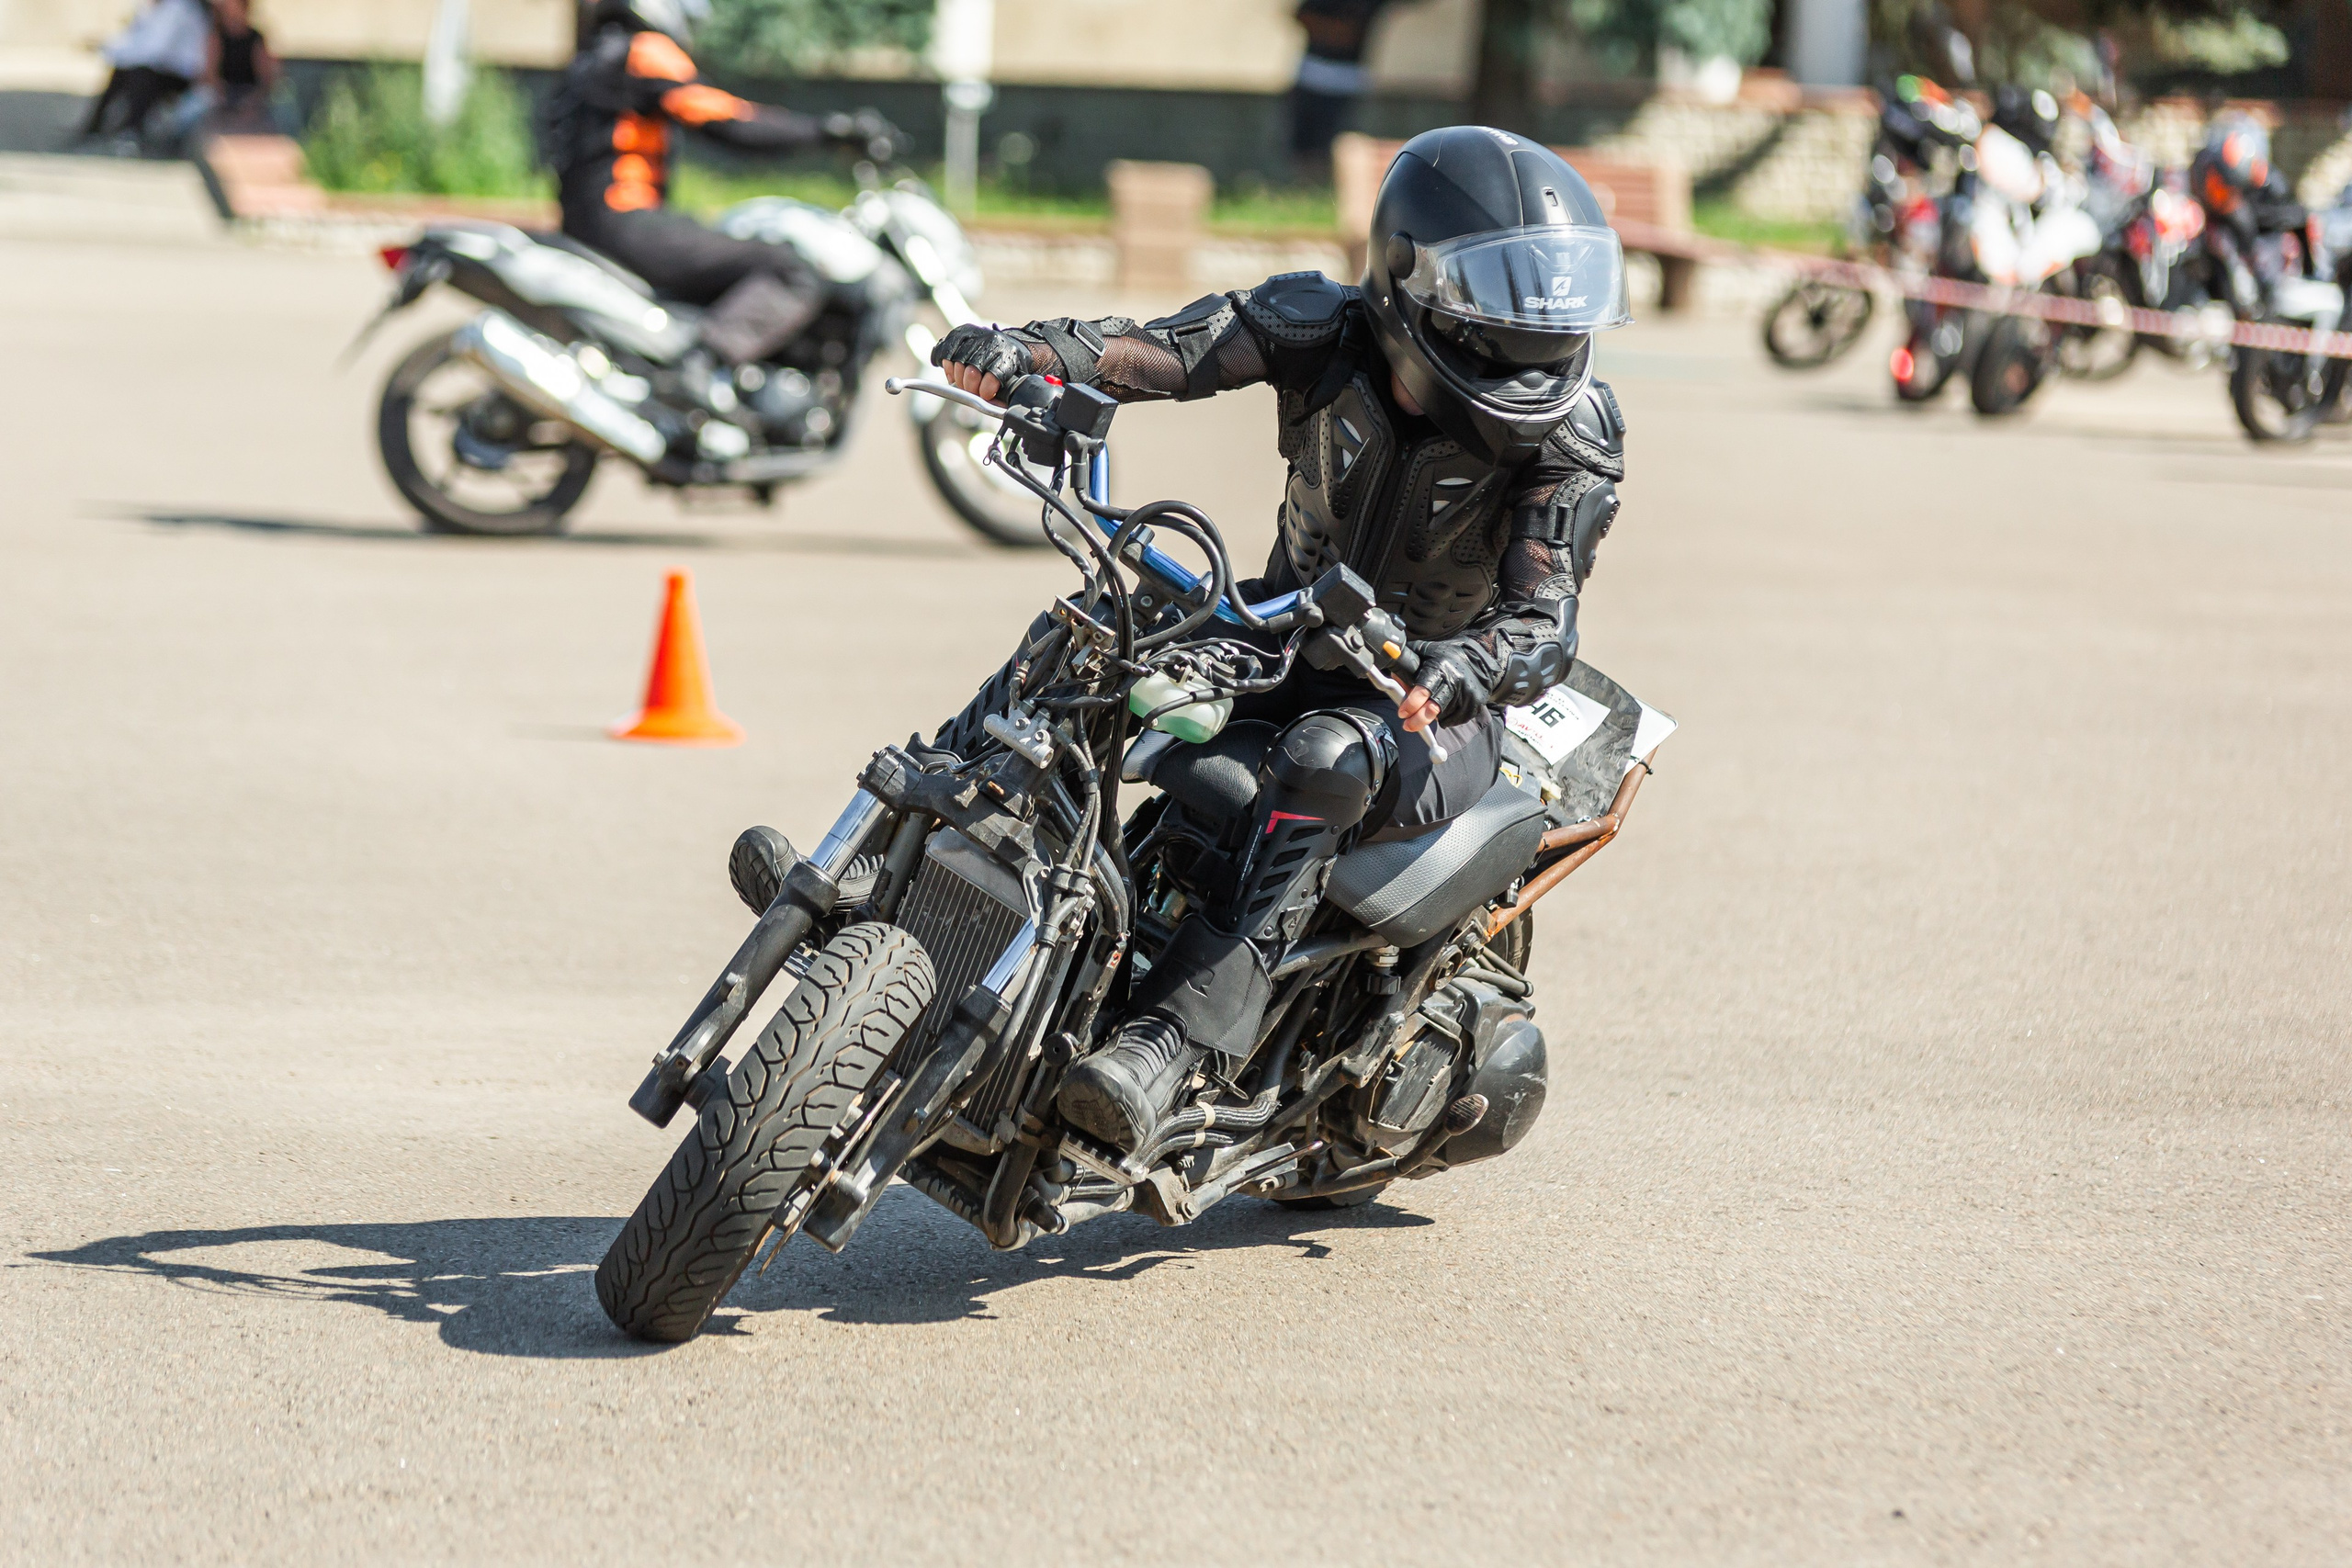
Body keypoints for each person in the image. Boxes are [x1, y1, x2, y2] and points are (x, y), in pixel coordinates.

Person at [933, 127, 1631, 1151]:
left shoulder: (1570, 433)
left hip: (1424, 702)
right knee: (1097, 625)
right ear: (1407, 270)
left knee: (1324, 753)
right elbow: (1162, 351)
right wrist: (1033, 352)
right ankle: (919, 838)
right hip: (1280, 630)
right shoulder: (1320, 326)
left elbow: (1543, 617)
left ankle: (1172, 1038)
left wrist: (1470, 661)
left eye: (1550, 299)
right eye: (1501, 292)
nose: (1529, 330)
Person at [545, 0, 898, 367]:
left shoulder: (588, 60)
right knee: (789, 269)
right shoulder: (643, 50)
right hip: (627, 223)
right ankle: (698, 369)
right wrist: (828, 130)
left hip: (587, 227)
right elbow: (728, 120)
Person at [1289, 0, 1403, 177]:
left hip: (1349, 77)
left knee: (1343, 139)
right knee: (1307, 140)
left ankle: (1335, 179)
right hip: (1315, 72)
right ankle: (1306, 178)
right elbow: (1302, 15)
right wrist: (1333, 31)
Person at [77, 0, 213, 150]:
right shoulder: (148, 7)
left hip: (182, 74)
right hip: (158, 66)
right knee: (123, 71)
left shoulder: (180, 8)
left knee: (142, 74)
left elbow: (157, 50)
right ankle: (95, 126)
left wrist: (113, 52)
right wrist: (108, 48)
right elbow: (134, 40)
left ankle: (131, 130)